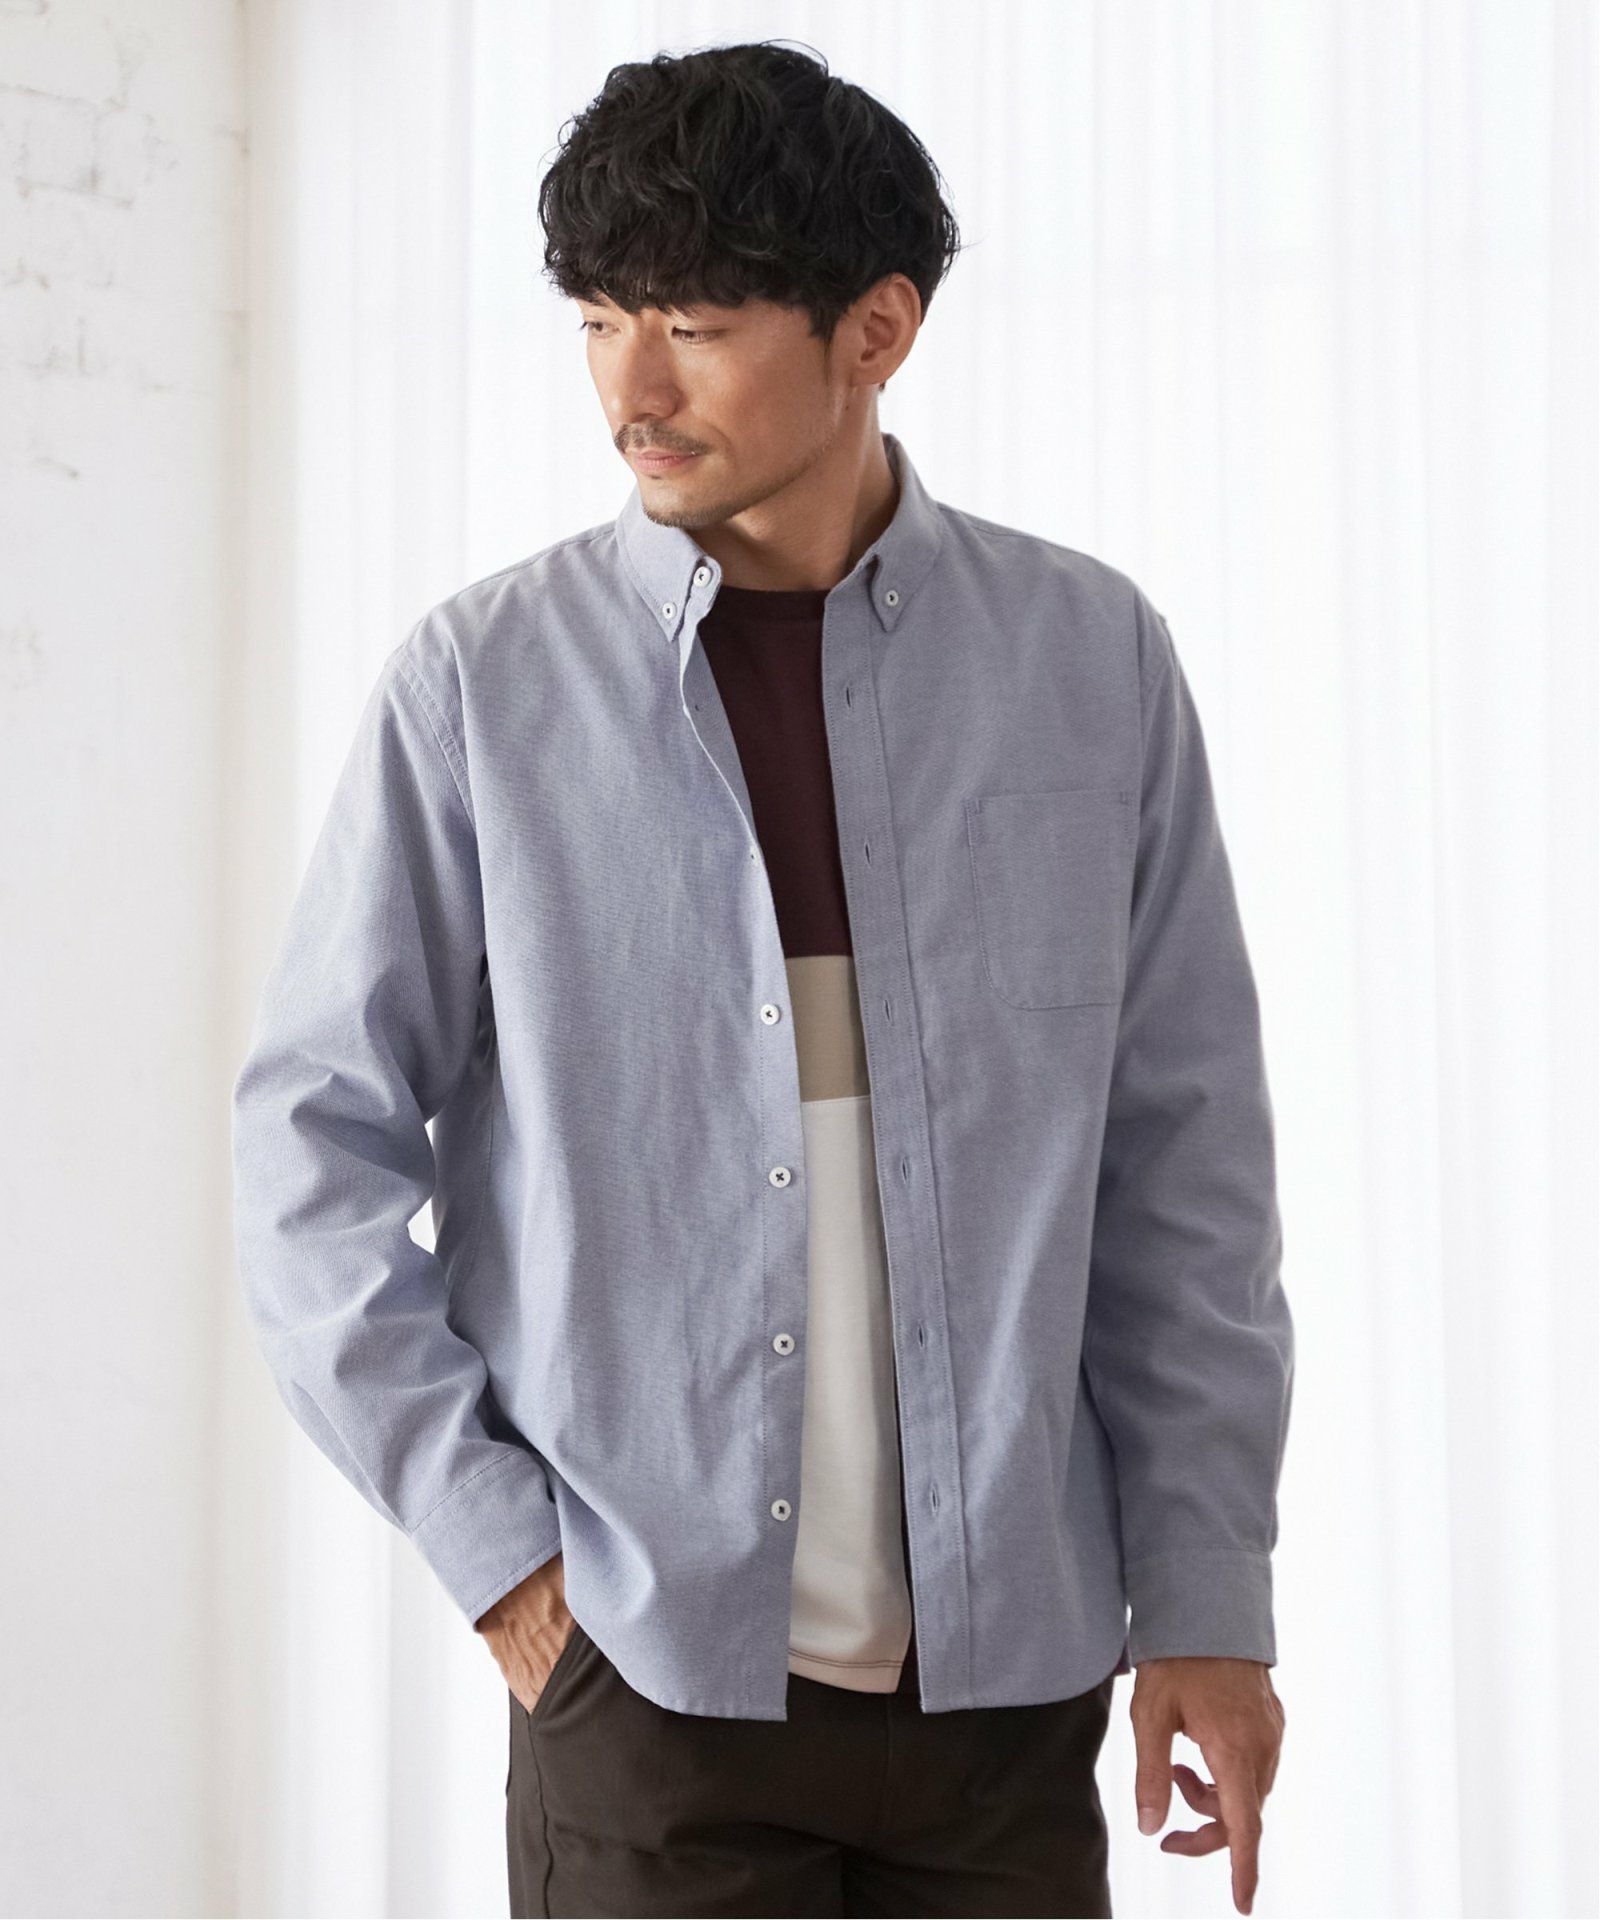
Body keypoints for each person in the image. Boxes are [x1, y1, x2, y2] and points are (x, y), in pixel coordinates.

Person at [231, 38, 1293, 1920]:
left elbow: (1183, 1169)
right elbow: (309, 1157)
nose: (630, 390)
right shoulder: (484, 690)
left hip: (1011, 1691)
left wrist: (1207, 1598)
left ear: (876, 328)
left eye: (695, 327)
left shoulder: (1087, 661)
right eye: (599, 322)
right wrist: (501, 1555)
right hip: (650, 1687)